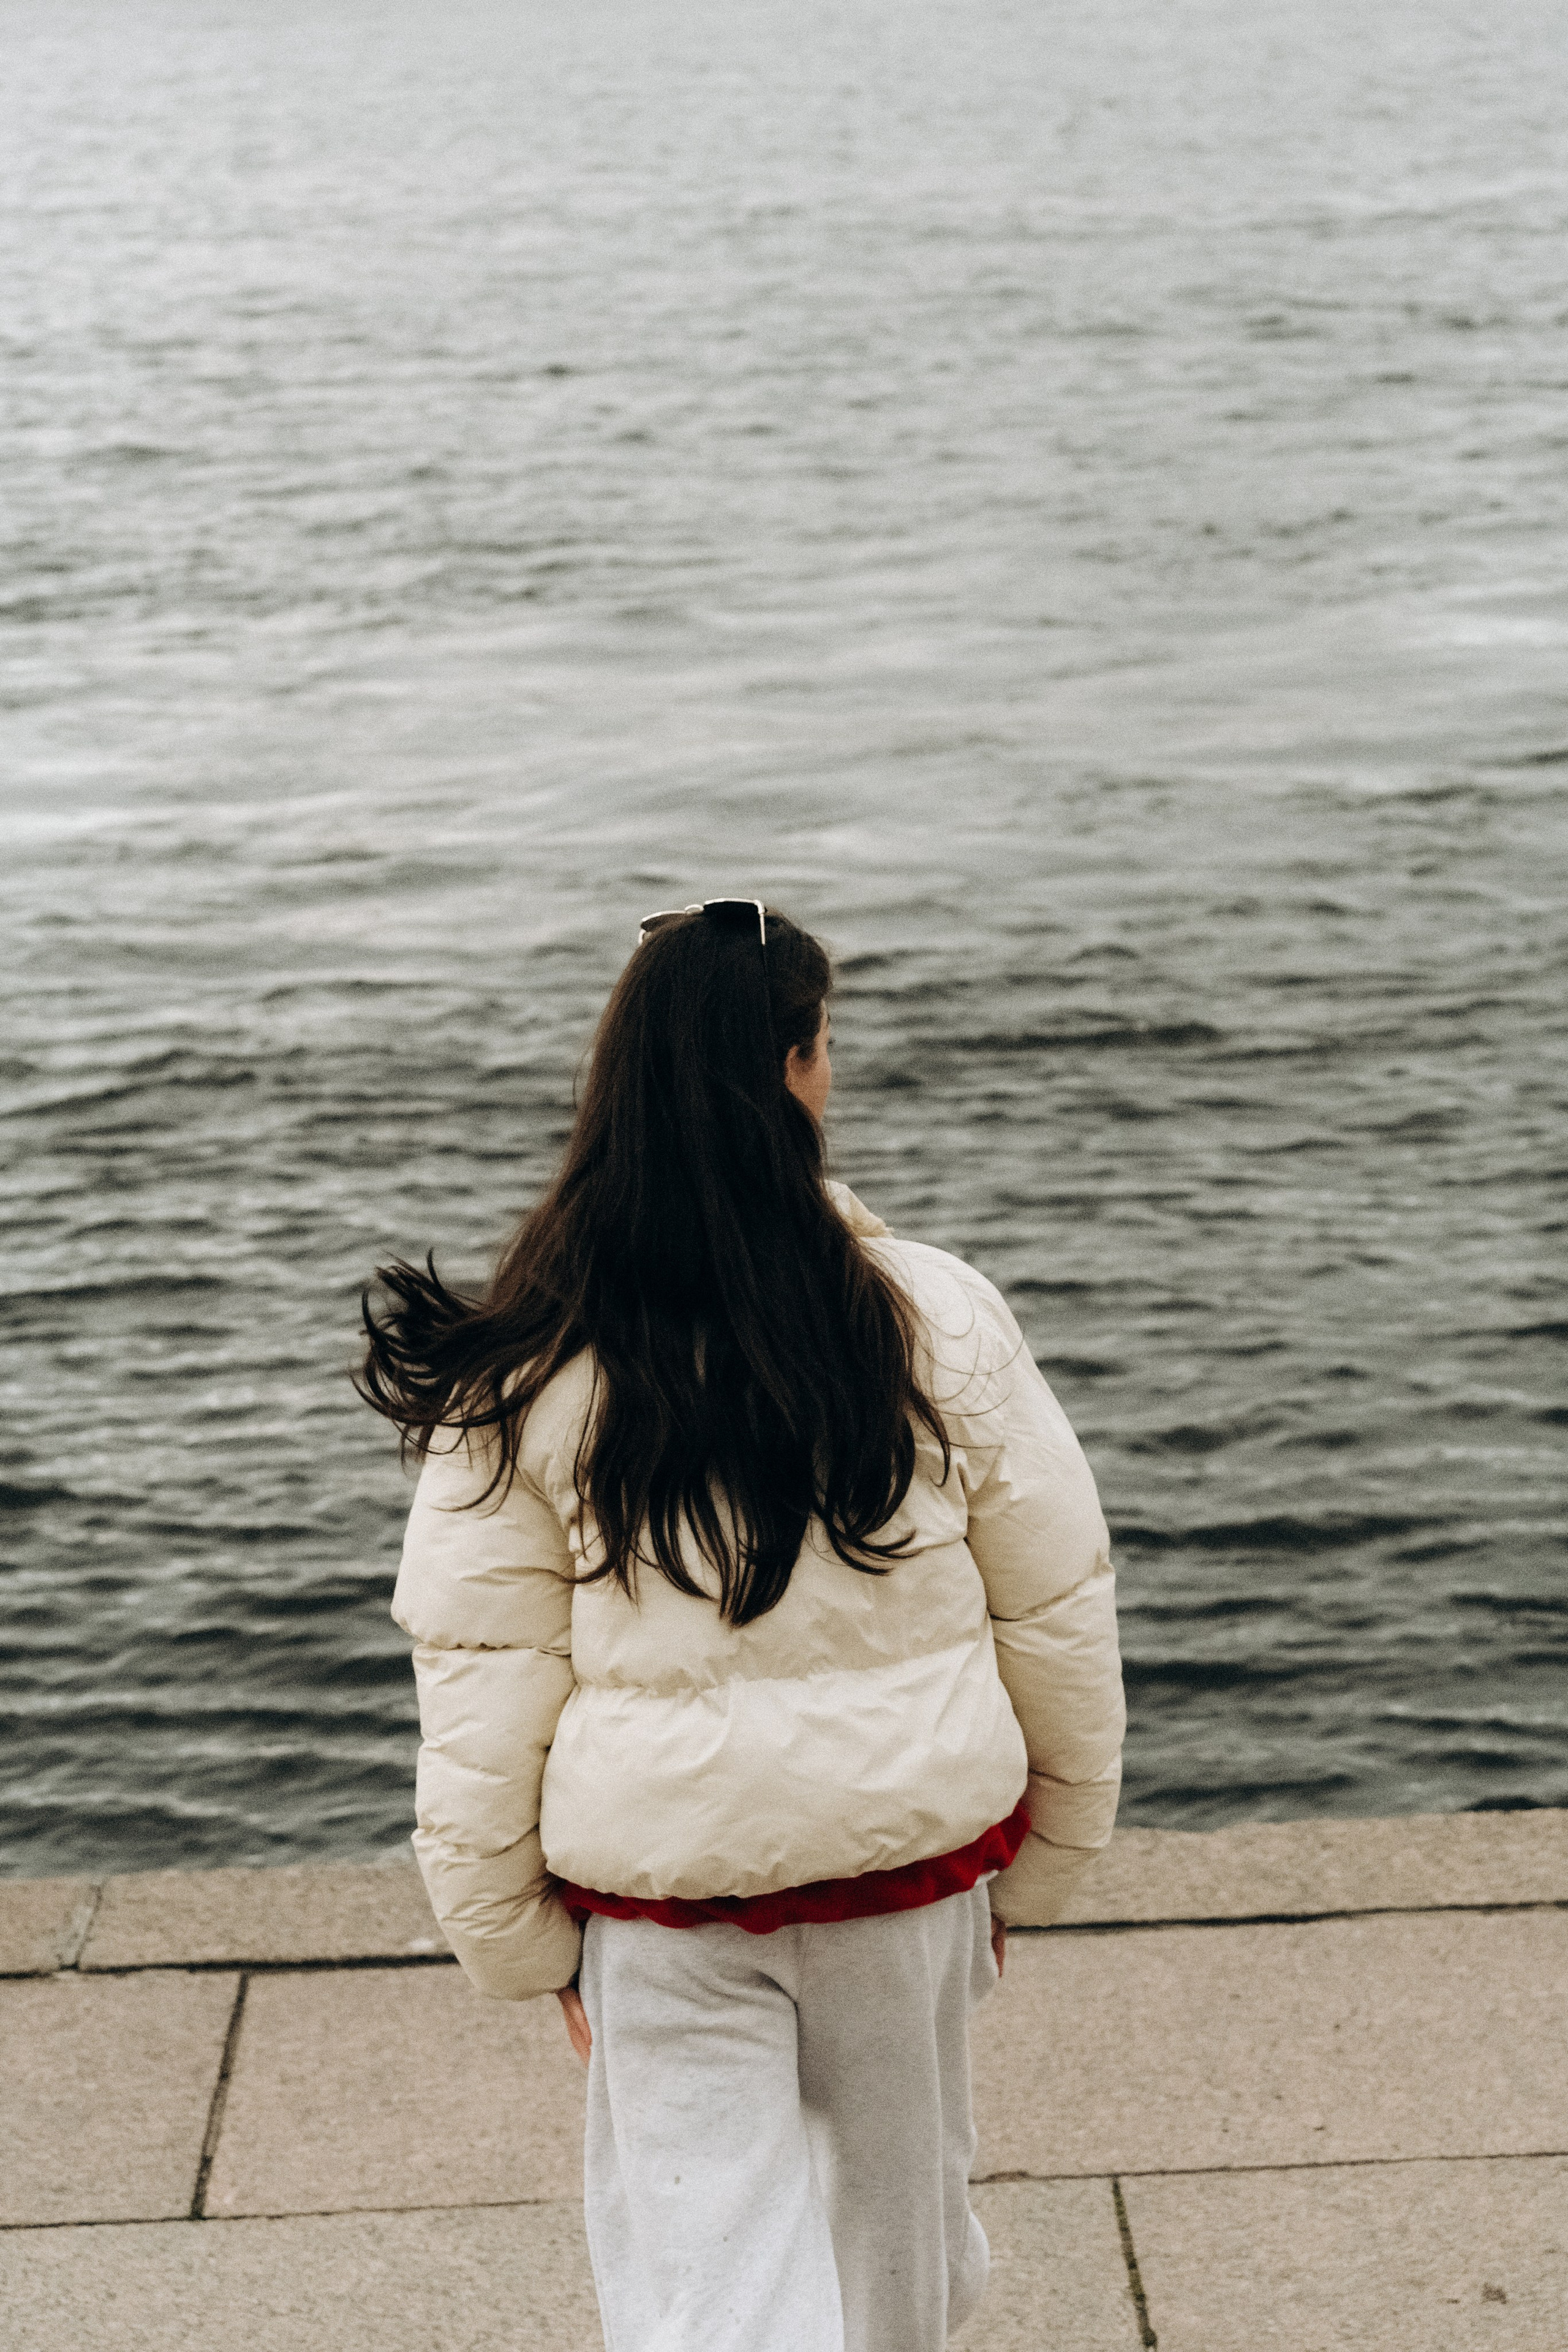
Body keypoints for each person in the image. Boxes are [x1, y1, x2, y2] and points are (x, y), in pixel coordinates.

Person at [358, 899, 1125, 2352]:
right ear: (793, 1067)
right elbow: (1054, 1607)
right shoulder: (929, 1316)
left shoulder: (525, 1366)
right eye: (822, 1045)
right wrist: (1042, 1870)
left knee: (707, 2282)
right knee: (896, 2254)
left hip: (663, 1898)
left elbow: (482, 1681)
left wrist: (516, 1940)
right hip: (908, 1870)